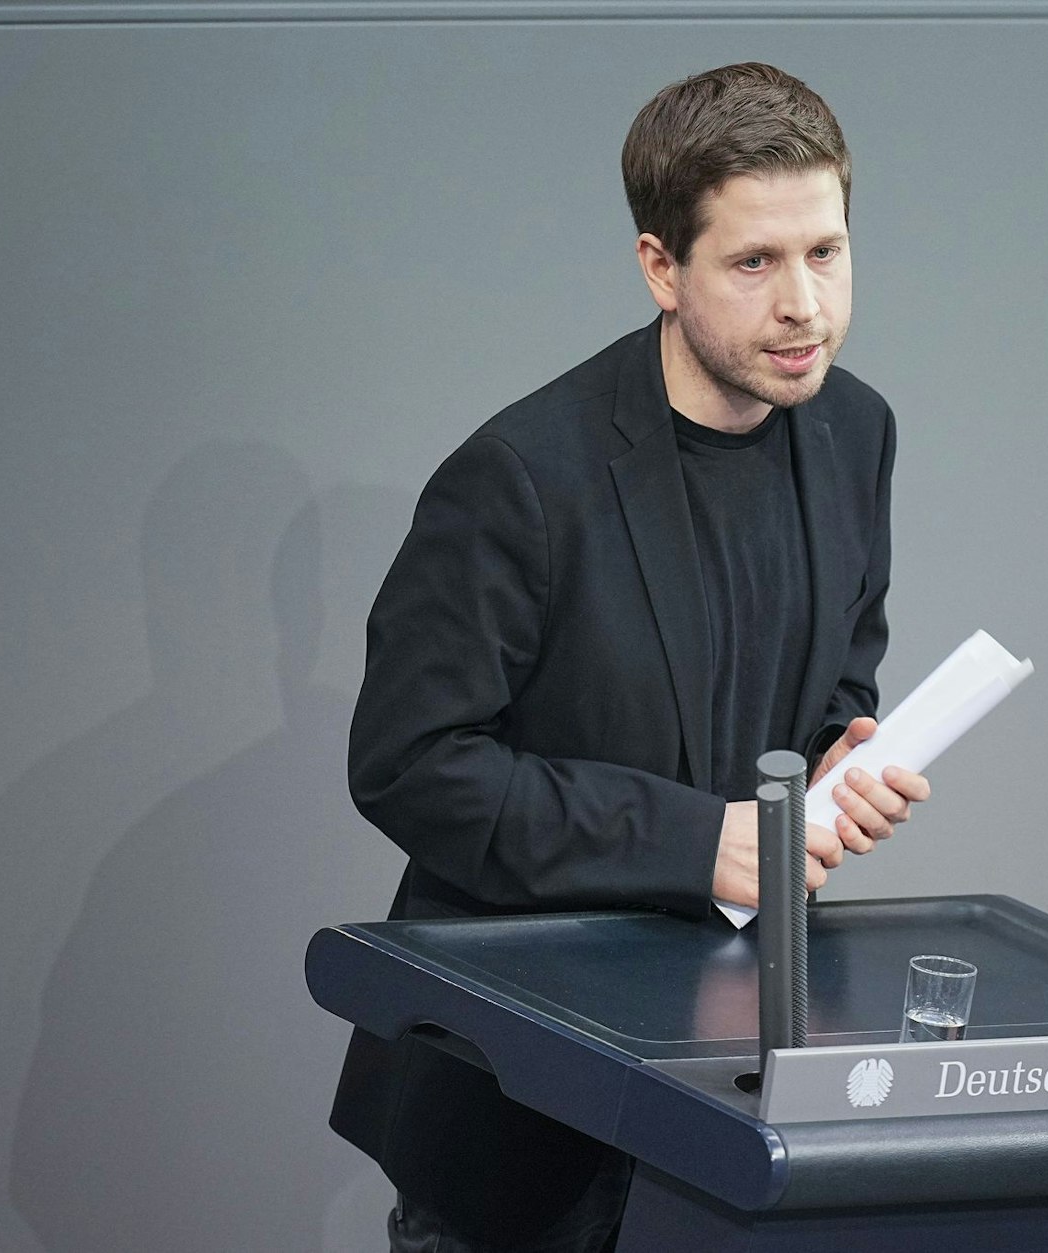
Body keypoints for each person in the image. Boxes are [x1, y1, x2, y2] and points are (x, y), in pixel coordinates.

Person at [331, 62, 931, 1252]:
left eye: (826, 251)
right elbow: (410, 765)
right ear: (662, 267)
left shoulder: (857, 430)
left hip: (728, 1077)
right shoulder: (521, 478)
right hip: (518, 1101)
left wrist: (834, 770)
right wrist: (694, 836)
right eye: (755, 263)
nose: (803, 303)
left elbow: (838, 674)